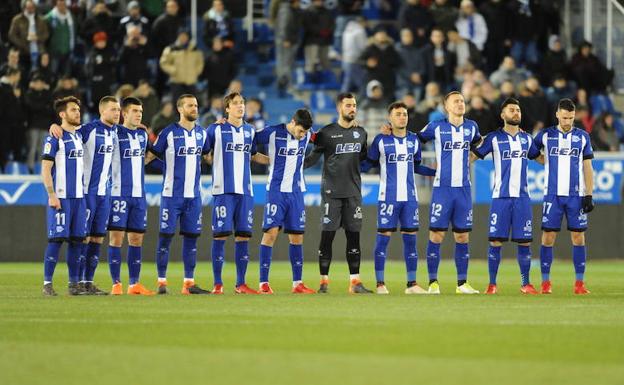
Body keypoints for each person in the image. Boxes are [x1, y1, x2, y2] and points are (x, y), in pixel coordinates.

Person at [304, 93, 373, 294]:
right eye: (348, 105)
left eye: (354, 105)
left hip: (353, 193)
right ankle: (324, 282)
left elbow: (364, 160)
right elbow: (312, 159)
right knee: (328, 237)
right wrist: (292, 165)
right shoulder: (326, 133)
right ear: (339, 108)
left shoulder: (361, 133)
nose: (352, 109)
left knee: (354, 237)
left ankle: (355, 283)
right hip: (331, 192)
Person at [50, 96, 119, 295]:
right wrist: (54, 125)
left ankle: (88, 282)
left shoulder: (115, 131)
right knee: (83, 239)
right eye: (113, 109)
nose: (117, 113)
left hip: (103, 195)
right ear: (102, 111)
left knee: (98, 240)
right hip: (86, 193)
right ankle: (77, 282)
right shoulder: (88, 129)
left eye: (119, 110)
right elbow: (66, 129)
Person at [472, 98, 542, 294]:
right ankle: (492, 284)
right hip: (501, 197)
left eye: (518, 110)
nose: (516, 112)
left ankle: (525, 284)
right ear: (503, 115)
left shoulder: (527, 139)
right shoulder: (493, 138)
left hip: (522, 198)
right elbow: (473, 156)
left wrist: (562, 159)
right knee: (495, 241)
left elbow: (541, 158)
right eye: (512, 110)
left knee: (525, 241)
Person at [366, 102, 435, 294]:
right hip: (388, 197)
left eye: (404, 114)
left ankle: (412, 284)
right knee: (383, 238)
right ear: (390, 118)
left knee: (411, 239)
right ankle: (380, 284)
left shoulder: (414, 140)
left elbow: (417, 166)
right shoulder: (380, 140)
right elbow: (367, 164)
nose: (402, 117)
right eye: (398, 114)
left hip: (410, 198)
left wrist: (435, 172)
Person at [145, 94, 211, 295]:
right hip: (171, 195)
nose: (195, 109)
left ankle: (188, 283)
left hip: (194, 196)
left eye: (196, 105)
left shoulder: (202, 133)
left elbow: (207, 155)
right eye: (190, 105)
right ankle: (162, 282)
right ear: (180, 109)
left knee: (191, 238)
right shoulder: (168, 133)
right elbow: (152, 156)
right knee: (165, 237)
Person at [204, 93, 269, 294]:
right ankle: (217, 284)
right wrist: (212, 161)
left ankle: (240, 284)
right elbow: (205, 152)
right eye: (236, 104)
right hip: (223, 190)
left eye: (242, 102)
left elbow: (253, 155)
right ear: (227, 108)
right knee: (220, 236)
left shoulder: (250, 131)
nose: (241, 106)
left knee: (243, 237)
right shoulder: (215, 129)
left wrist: (273, 160)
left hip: (245, 191)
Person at [418, 91, 482, 294]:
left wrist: (473, 156)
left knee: (462, 237)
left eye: (462, 101)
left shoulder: (472, 127)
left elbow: (480, 145)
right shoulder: (437, 126)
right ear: (446, 106)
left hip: (463, 189)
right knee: (436, 235)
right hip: (442, 189)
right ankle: (433, 283)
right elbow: (415, 140)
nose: (460, 104)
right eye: (456, 101)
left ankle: (462, 283)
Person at [533, 99, 594, 295]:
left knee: (578, 237)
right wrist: (547, 162)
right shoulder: (546, 135)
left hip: (575, 195)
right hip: (552, 195)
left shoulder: (583, 137)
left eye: (571, 117)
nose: (567, 121)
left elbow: (587, 166)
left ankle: (579, 283)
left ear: (574, 116)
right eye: (564, 117)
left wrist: (589, 194)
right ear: (557, 115)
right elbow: (532, 153)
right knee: (548, 237)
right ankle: (545, 282)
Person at [253, 109, 316, 294]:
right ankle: (263, 283)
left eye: (305, 132)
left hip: (296, 192)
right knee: (271, 234)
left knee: (297, 237)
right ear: (293, 122)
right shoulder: (272, 132)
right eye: (300, 131)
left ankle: (297, 283)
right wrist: (264, 159)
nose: (302, 135)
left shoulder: (308, 134)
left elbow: (325, 138)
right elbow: (249, 140)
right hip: (276, 192)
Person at [106, 97, 155, 295]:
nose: (139, 114)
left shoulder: (143, 134)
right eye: (135, 111)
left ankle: (134, 284)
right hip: (118, 193)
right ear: (124, 113)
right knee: (116, 239)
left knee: (136, 239)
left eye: (140, 111)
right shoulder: (114, 132)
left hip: (139, 195)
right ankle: (116, 284)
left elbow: (151, 155)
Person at [41, 96, 86, 296]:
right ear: (62, 114)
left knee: (77, 240)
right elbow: (45, 168)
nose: (78, 112)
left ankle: (73, 284)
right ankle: (47, 284)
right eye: (73, 110)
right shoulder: (54, 137)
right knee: (56, 240)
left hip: (79, 197)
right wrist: (51, 195)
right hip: (61, 197)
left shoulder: (78, 135)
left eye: (78, 109)